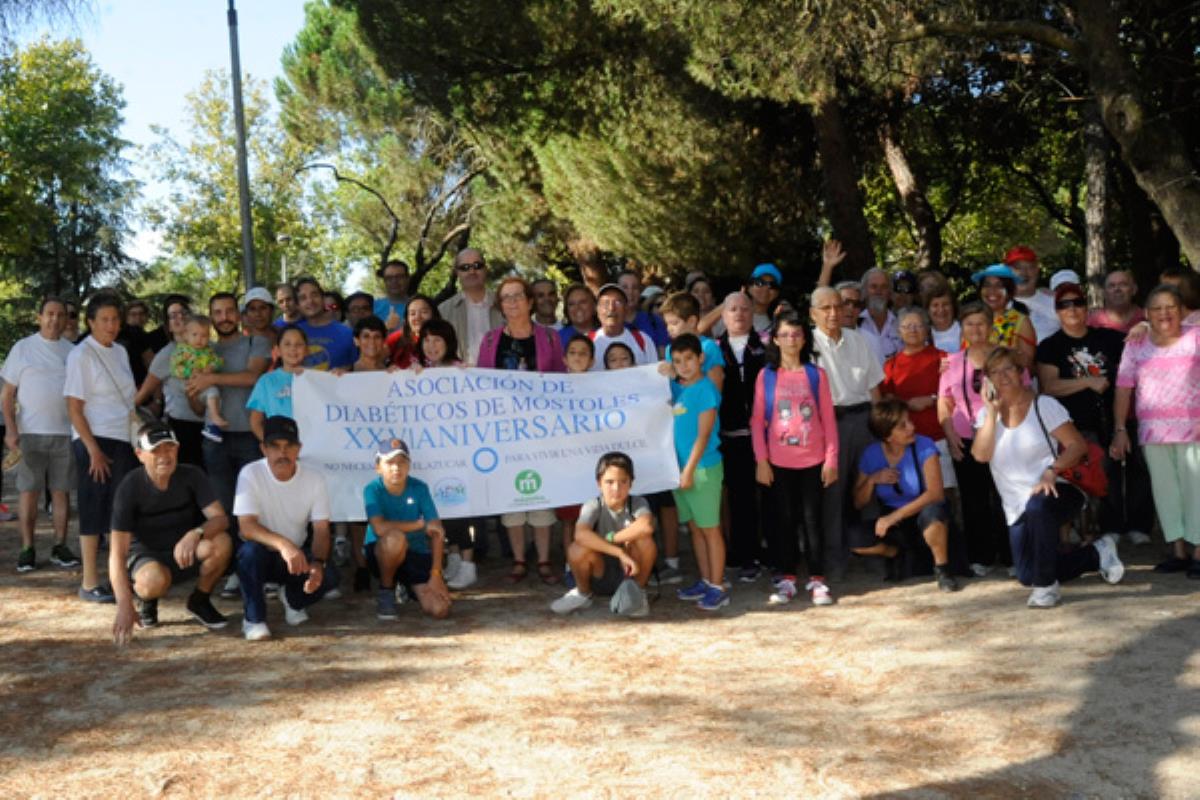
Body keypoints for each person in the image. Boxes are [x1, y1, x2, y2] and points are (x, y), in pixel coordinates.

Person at [971, 347, 1124, 607]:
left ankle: (1046, 589)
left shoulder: (1043, 404)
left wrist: (1051, 471)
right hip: (1015, 505)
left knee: (1038, 507)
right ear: (987, 380)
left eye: (1008, 368)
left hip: (1058, 489)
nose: (1002, 376)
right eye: (994, 372)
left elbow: (1078, 446)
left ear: (1021, 372)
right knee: (1026, 574)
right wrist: (992, 413)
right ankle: (1096, 554)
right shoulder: (987, 415)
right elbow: (981, 456)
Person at [1037, 280, 1148, 544]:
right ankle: (1106, 528)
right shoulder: (1050, 346)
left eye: (1078, 302)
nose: (1072, 309)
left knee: (1138, 471)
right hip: (1079, 423)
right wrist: (1087, 381)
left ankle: (1140, 526)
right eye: (1065, 304)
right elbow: (1050, 386)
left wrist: (1144, 324)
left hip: (1119, 415)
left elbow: (1143, 346)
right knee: (1099, 473)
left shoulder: (1107, 337)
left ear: (1087, 307)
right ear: (1057, 311)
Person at [477, 277, 565, 583]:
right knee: (512, 493)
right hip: (505, 432)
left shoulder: (551, 338)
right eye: (506, 298)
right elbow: (480, 386)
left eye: (517, 297)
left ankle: (542, 560)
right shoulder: (490, 341)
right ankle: (518, 559)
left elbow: (561, 380)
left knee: (541, 494)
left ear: (529, 301)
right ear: (500, 306)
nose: (512, 303)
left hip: (541, 430)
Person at [109, 422, 232, 642]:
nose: (164, 455)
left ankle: (200, 600)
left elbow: (220, 519)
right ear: (140, 454)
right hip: (146, 555)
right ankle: (147, 599)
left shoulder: (192, 474)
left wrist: (195, 533)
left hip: (183, 549)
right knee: (151, 581)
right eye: (156, 450)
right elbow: (117, 554)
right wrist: (124, 605)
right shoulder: (129, 487)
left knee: (221, 543)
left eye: (169, 448)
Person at [187, 292, 272, 599]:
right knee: (222, 508)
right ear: (210, 317)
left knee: (253, 507)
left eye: (228, 311)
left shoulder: (256, 343)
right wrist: (194, 390)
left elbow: (252, 377)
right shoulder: (202, 349)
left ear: (238, 315)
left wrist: (212, 379)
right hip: (215, 440)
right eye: (217, 312)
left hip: (250, 436)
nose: (223, 317)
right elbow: (197, 407)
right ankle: (235, 570)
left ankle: (261, 568)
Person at [1112, 284, 1200, 576]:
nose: (1165, 314)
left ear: (1181, 310)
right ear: (1147, 312)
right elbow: (1124, 388)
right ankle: (1178, 551)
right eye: (1157, 308)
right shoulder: (1136, 343)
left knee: (1195, 492)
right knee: (1166, 493)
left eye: (1171, 307)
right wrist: (1120, 428)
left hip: (1194, 429)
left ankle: (1199, 552)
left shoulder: (1196, 336)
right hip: (1153, 432)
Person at [751, 312, 838, 605]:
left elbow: (828, 420)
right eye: (785, 335)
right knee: (783, 522)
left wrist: (831, 459)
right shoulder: (767, 376)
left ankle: (817, 579)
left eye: (797, 334)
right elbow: (757, 421)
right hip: (778, 462)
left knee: (813, 521)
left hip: (813, 461)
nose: (791, 340)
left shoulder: (816, 375)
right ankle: (787, 577)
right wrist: (761, 460)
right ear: (775, 339)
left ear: (804, 338)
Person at [234, 415, 339, 640]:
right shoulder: (250, 473)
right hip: (263, 554)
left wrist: (318, 564)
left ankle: (292, 600)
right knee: (249, 552)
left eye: (289, 446)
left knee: (329, 576)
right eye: (275, 446)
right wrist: (284, 545)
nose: (282, 453)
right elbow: (247, 527)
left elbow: (321, 529)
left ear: (298, 449)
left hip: (296, 558)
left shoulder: (314, 478)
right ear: (263, 448)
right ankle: (253, 619)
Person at [65, 292, 138, 602]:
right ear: (90, 322)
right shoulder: (81, 355)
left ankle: (115, 578)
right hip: (93, 439)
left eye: (115, 319)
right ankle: (89, 581)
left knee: (118, 511)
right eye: (105, 320)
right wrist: (93, 449)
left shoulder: (120, 352)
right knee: (94, 507)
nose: (111, 325)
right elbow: (74, 408)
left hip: (123, 438)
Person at [809, 286, 884, 578]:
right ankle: (835, 562)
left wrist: (879, 429)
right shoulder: (806, 345)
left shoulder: (858, 340)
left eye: (838, 306)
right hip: (829, 425)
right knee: (834, 495)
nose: (833, 313)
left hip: (864, 421)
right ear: (813, 313)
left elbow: (874, 386)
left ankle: (873, 554)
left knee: (869, 490)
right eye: (825, 308)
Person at [2, 296, 79, 573]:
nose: (55, 319)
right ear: (40, 317)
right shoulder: (22, 349)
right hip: (29, 435)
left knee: (61, 493)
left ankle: (60, 546)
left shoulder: (73, 352)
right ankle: (27, 548)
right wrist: (11, 429)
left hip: (65, 433)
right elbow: (7, 394)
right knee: (29, 493)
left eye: (61, 314)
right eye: (49, 313)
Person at [853, 399, 959, 591]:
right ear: (887, 436)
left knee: (933, 514)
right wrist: (871, 480)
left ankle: (942, 569)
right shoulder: (871, 454)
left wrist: (894, 516)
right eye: (903, 426)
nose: (912, 427)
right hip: (895, 521)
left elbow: (935, 494)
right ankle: (895, 553)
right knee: (853, 540)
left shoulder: (924, 445)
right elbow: (858, 503)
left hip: (920, 512)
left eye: (909, 421)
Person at [938, 302, 1010, 576]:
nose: (976, 329)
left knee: (1004, 494)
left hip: (1002, 435)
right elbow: (944, 402)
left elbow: (1022, 394)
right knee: (973, 498)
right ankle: (981, 555)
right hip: (965, 437)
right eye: (969, 324)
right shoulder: (953, 362)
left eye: (981, 323)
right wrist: (949, 432)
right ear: (962, 328)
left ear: (991, 326)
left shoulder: (1007, 359)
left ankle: (1011, 554)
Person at [550, 451, 656, 617]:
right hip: (599, 571)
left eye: (623, 482)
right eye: (609, 482)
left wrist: (612, 538)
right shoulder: (593, 505)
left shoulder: (637, 502)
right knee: (577, 548)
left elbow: (646, 526)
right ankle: (583, 593)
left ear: (631, 483)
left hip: (630, 571)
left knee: (645, 541)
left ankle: (638, 594)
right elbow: (581, 534)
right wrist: (619, 552)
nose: (616, 488)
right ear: (599, 483)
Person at [668, 334, 728, 611]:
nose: (684, 366)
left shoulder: (705, 389)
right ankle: (705, 580)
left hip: (701, 469)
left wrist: (689, 470)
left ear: (700, 358)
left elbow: (703, 436)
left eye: (689, 359)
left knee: (710, 529)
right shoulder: (681, 390)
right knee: (695, 529)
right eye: (677, 361)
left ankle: (718, 586)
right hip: (682, 472)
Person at [364, 438, 451, 620]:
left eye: (401, 462)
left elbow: (436, 531)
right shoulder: (372, 489)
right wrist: (419, 525)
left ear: (409, 465)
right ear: (378, 467)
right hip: (383, 552)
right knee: (396, 538)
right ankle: (386, 591)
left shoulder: (420, 488)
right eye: (390, 463)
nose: (396, 468)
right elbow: (379, 528)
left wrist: (436, 574)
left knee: (440, 609)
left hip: (416, 552)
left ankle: (405, 586)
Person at [717, 292, 768, 582]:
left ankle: (772, 553)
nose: (739, 314)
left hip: (765, 435)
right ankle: (744, 555)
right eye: (733, 309)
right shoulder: (713, 349)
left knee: (769, 498)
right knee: (739, 499)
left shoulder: (765, 346)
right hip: (730, 437)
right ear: (723, 316)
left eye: (745, 309)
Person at [880, 307, 957, 494]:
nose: (913, 330)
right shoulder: (891, 365)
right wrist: (907, 404)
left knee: (945, 493)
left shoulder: (943, 358)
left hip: (939, 437)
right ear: (899, 331)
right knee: (913, 494)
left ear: (927, 329)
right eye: (907, 326)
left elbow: (957, 395)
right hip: (905, 442)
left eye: (918, 325)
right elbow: (887, 401)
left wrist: (931, 399)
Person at [136, 296, 208, 466]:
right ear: (168, 324)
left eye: (183, 312)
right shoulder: (166, 355)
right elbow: (142, 394)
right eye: (173, 315)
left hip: (211, 426)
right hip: (181, 427)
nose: (180, 318)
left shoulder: (208, 347)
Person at [438, 248, 503, 365]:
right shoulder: (443, 311)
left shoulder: (504, 304)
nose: (472, 271)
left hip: (500, 378)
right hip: (460, 380)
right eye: (465, 267)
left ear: (485, 269)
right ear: (456, 272)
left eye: (477, 265)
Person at [169, 315, 228, 442]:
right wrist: (189, 372)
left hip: (204, 384)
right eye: (195, 335)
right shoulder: (182, 350)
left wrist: (211, 367)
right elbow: (174, 368)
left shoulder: (208, 351)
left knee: (215, 393)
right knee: (212, 393)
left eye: (204, 335)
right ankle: (213, 420)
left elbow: (218, 362)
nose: (199, 339)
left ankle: (212, 424)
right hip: (187, 383)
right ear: (185, 335)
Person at [247, 325, 307, 441]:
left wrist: (339, 377)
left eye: (299, 344)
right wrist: (271, 446)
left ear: (307, 350)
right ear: (277, 350)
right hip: (280, 450)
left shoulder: (317, 379)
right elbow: (255, 422)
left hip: (312, 448)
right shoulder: (266, 381)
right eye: (287, 344)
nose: (293, 348)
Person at [973, 264, 1037, 369]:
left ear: (1010, 292)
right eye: (987, 285)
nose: (992, 290)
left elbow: (1028, 366)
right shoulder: (971, 319)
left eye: (999, 286)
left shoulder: (1020, 321)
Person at [660, 292, 725, 391]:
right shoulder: (670, 349)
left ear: (691, 321)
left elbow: (714, 392)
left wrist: (677, 376)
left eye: (674, 323)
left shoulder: (709, 347)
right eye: (667, 324)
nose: (669, 328)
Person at [292, 277, 355, 370]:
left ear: (323, 298)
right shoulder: (292, 334)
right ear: (297, 306)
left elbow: (359, 368)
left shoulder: (347, 334)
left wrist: (346, 370)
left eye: (314, 295)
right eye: (303, 298)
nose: (310, 301)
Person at [588, 283, 657, 369]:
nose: (611, 308)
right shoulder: (587, 343)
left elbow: (654, 376)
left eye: (617, 302)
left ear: (626, 309)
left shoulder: (643, 340)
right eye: (605, 303)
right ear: (597, 310)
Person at [1004, 245, 1059, 342]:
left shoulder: (1056, 301)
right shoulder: (996, 305)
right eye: (1017, 268)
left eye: (1030, 267)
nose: (1023, 273)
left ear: (1037, 270)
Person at [617, 269, 670, 350]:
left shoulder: (654, 321)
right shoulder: (610, 323)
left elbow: (663, 354)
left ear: (639, 291)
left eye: (635, 287)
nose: (630, 292)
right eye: (625, 287)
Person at [858, 267, 902, 365]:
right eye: (873, 287)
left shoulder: (901, 323)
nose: (879, 291)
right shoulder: (855, 323)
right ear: (865, 292)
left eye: (884, 287)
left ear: (890, 292)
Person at [387, 294, 438, 369]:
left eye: (424, 312)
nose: (417, 317)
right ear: (407, 319)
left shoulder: (444, 338)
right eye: (412, 314)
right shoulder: (396, 339)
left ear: (434, 315)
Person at [117, 299, 154, 387]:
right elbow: (151, 365)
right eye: (133, 314)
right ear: (126, 317)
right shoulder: (119, 335)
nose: (138, 317)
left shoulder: (149, 336)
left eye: (141, 314)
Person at [557, 283, 599, 348]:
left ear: (594, 306)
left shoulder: (608, 333)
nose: (577, 307)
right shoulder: (557, 339)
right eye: (572, 304)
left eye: (583, 302)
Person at [374, 259, 410, 331]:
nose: (394, 281)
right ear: (384, 281)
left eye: (399, 277)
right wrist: (386, 327)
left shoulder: (421, 306)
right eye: (389, 278)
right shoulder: (372, 307)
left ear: (407, 278)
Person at [926, 288, 961, 353]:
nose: (941, 310)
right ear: (928, 310)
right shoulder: (923, 336)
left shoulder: (965, 328)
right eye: (935, 305)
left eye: (945, 304)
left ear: (953, 307)